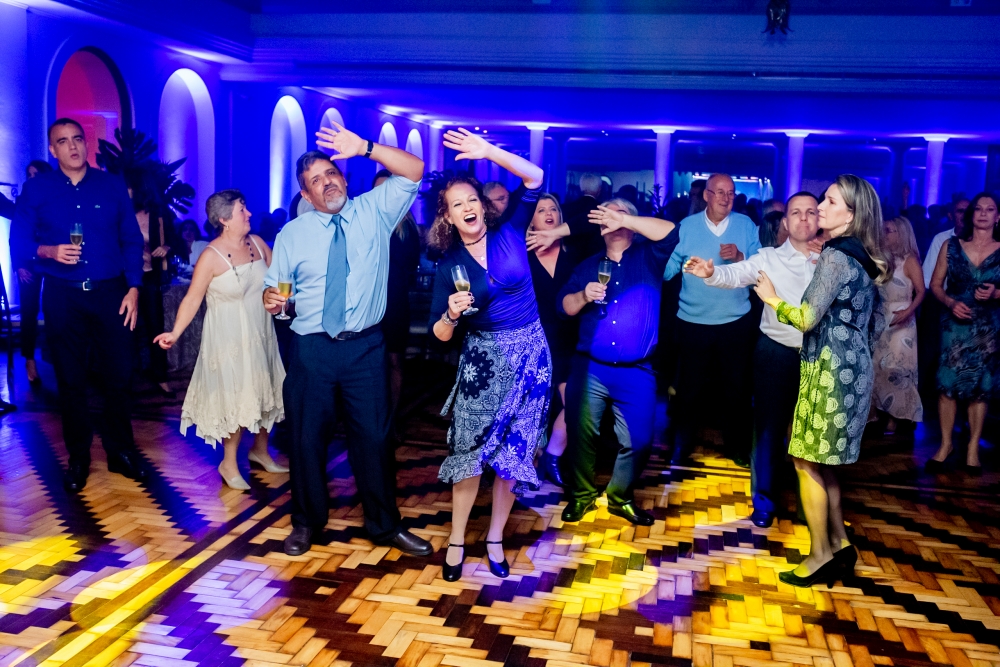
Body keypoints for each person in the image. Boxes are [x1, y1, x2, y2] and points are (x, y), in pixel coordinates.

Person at [262, 122, 431, 559]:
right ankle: (306, 522)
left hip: (365, 349)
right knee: (305, 440)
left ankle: (385, 525)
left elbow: (414, 169)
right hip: (312, 349)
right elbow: (276, 289)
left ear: (343, 176)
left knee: (374, 439)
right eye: (316, 180)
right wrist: (273, 300)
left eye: (331, 173)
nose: (327, 182)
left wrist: (366, 147)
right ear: (307, 195)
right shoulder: (292, 234)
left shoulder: (375, 210)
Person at [754, 174, 890, 587]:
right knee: (823, 461)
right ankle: (840, 543)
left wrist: (772, 298)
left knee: (804, 460)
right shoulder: (863, 255)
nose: (820, 207)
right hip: (853, 370)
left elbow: (807, 318)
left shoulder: (835, 256)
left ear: (850, 214)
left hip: (829, 371)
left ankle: (819, 556)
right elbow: (876, 323)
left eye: (830, 201)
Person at [428, 129, 551, 582]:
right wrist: (450, 314)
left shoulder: (510, 229)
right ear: (448, 216)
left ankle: (496, 537)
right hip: (483, 363)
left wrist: (489, 152)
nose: (467, 207)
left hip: (532, 355)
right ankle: (457, 539)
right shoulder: (449, 264)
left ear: (482, 205)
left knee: (514, 455)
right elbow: (439, 335)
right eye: (456, 204)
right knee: (469, 455)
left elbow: (535, 177)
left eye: (472, 199)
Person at [10, 118, 146, 492]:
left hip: (112, 293)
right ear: (52, 150)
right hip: (62, 295)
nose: (72, 146)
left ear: (86, 144)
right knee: (71, 380)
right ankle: (78, 458)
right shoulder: (37, 189)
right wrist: (48, 251)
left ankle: (120, 452)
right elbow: (18, 241)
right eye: (63, 141)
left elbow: (131, 240)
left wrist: (134, 287)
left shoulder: (111, 184)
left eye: (77, 139)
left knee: (119, 376)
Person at [684, 191, 821, 528]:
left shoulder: (832, 260)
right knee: (769, 430)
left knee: (812, 433)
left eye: (811, 212)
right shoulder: (768, 257)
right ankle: (764, 501)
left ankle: (811, 506)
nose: (804, 218)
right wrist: (711, 273)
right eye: (796, 212)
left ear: (820, 219)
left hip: (820, 356)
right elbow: (735, 275)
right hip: (776, 352)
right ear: (785, 222)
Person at [155, 190, 286, 489]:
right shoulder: (210, 256)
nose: (249, 214)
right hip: (229, 338)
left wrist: (283, 299)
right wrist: (175, 332)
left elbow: (279, 277)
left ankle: (260, 451)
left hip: (261, 332)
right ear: (224, 219)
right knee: (237, 396)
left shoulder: (258, 243)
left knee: (265, 389)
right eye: (242, 209)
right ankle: (228, 463)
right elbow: (192, 299)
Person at [558, 200, 677, 525]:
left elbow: (671, 232)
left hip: (637, 371)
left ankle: (620, 496)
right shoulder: (587, 265)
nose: (609, 216)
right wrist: (583, 296)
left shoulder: (650, 256)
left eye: (617, 211)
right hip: (590, 367)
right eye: (605, 212)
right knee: (580, 435)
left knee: (639, 441)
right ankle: (582, 496)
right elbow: (563, 306)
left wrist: (624, 218)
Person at [664, 173, 761, 466]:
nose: (726, 198)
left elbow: (759, 270)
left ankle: (737, 446)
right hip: (693, 320)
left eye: (730, 193)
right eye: (719, 192)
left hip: (735, 321)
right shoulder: (687, 226)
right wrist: (670, 266)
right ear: (706, 195)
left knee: (736, 389)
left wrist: (740, 257)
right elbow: (668, 268)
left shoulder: (746, 225)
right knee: (689, 389)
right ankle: (681, 445)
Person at [926, 192, 1000, 475]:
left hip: (987, 328)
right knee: (947, 384)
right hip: (954, 325)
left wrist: (996, 293)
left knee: (980, 387)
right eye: (978, 209)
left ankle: (972, 449)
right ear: (971, 214)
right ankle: (946, 445)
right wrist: (950, 303)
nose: (983, 213)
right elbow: (935, 284)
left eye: (989, 209)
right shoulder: (951, 246)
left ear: (998, 216)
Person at [526, 193, 580, 487]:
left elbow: (589, 213)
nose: (548, 213)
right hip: (533, 342)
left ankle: (553, 455)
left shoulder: (575, 252)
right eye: (540, 210)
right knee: (531, 409)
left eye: (553, 209)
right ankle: (528, 461)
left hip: (569, 342)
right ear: (531, 220)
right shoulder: (521, 257)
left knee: (576, 404)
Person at [373, 169, 421, 428]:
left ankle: (391, 421)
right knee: (371, 364)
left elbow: (411, 267)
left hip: (395, 303)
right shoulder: (364, 222)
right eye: (378, 188)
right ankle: (372, 421)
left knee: (394, 361)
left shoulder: (407, 226)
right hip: (369, 303)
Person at [871, 216, 924, 434]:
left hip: (903, 318)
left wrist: (908, 312)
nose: (883, 234)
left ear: (901, 234)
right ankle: (880, 413)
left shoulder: (909, 260)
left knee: (897, 368)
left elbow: (921, 291)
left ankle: (898, 417)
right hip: (881, 317)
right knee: (878, 367)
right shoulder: (881, 260)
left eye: (888, 230)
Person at [918, 198, 968, 408]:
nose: (964, 215)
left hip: (970, 303)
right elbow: (928, 277)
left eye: (968, 210)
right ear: (951, 215)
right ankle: (923, 398)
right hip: (939, 300)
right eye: (960, 211)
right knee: (931, 349)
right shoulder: (943, 239)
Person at [133, 191, 175, 396]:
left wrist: (166, 246)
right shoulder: (122, 210)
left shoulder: (158, 214)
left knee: (155, 326)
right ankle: (129, 376)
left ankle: (160, 376)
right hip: (124, 277)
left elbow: (174, 239)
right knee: (127, 327)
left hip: (150, 275)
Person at [17, 160, 53, 386]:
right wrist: (18, 265)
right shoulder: (23, 200)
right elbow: (16, 236)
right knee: (29, 310)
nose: (32, 178)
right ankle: (29, 359)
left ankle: (56, 356)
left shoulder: (55, 197)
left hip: (53, 261)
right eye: (29, 174)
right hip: (28, 262)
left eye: (36, 174)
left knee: (55, 309)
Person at [563, 173, 604, 257]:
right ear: (599, 189)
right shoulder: (602, 209)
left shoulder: (566, 208)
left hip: (570, 257)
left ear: (580, 188)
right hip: (595, 258)